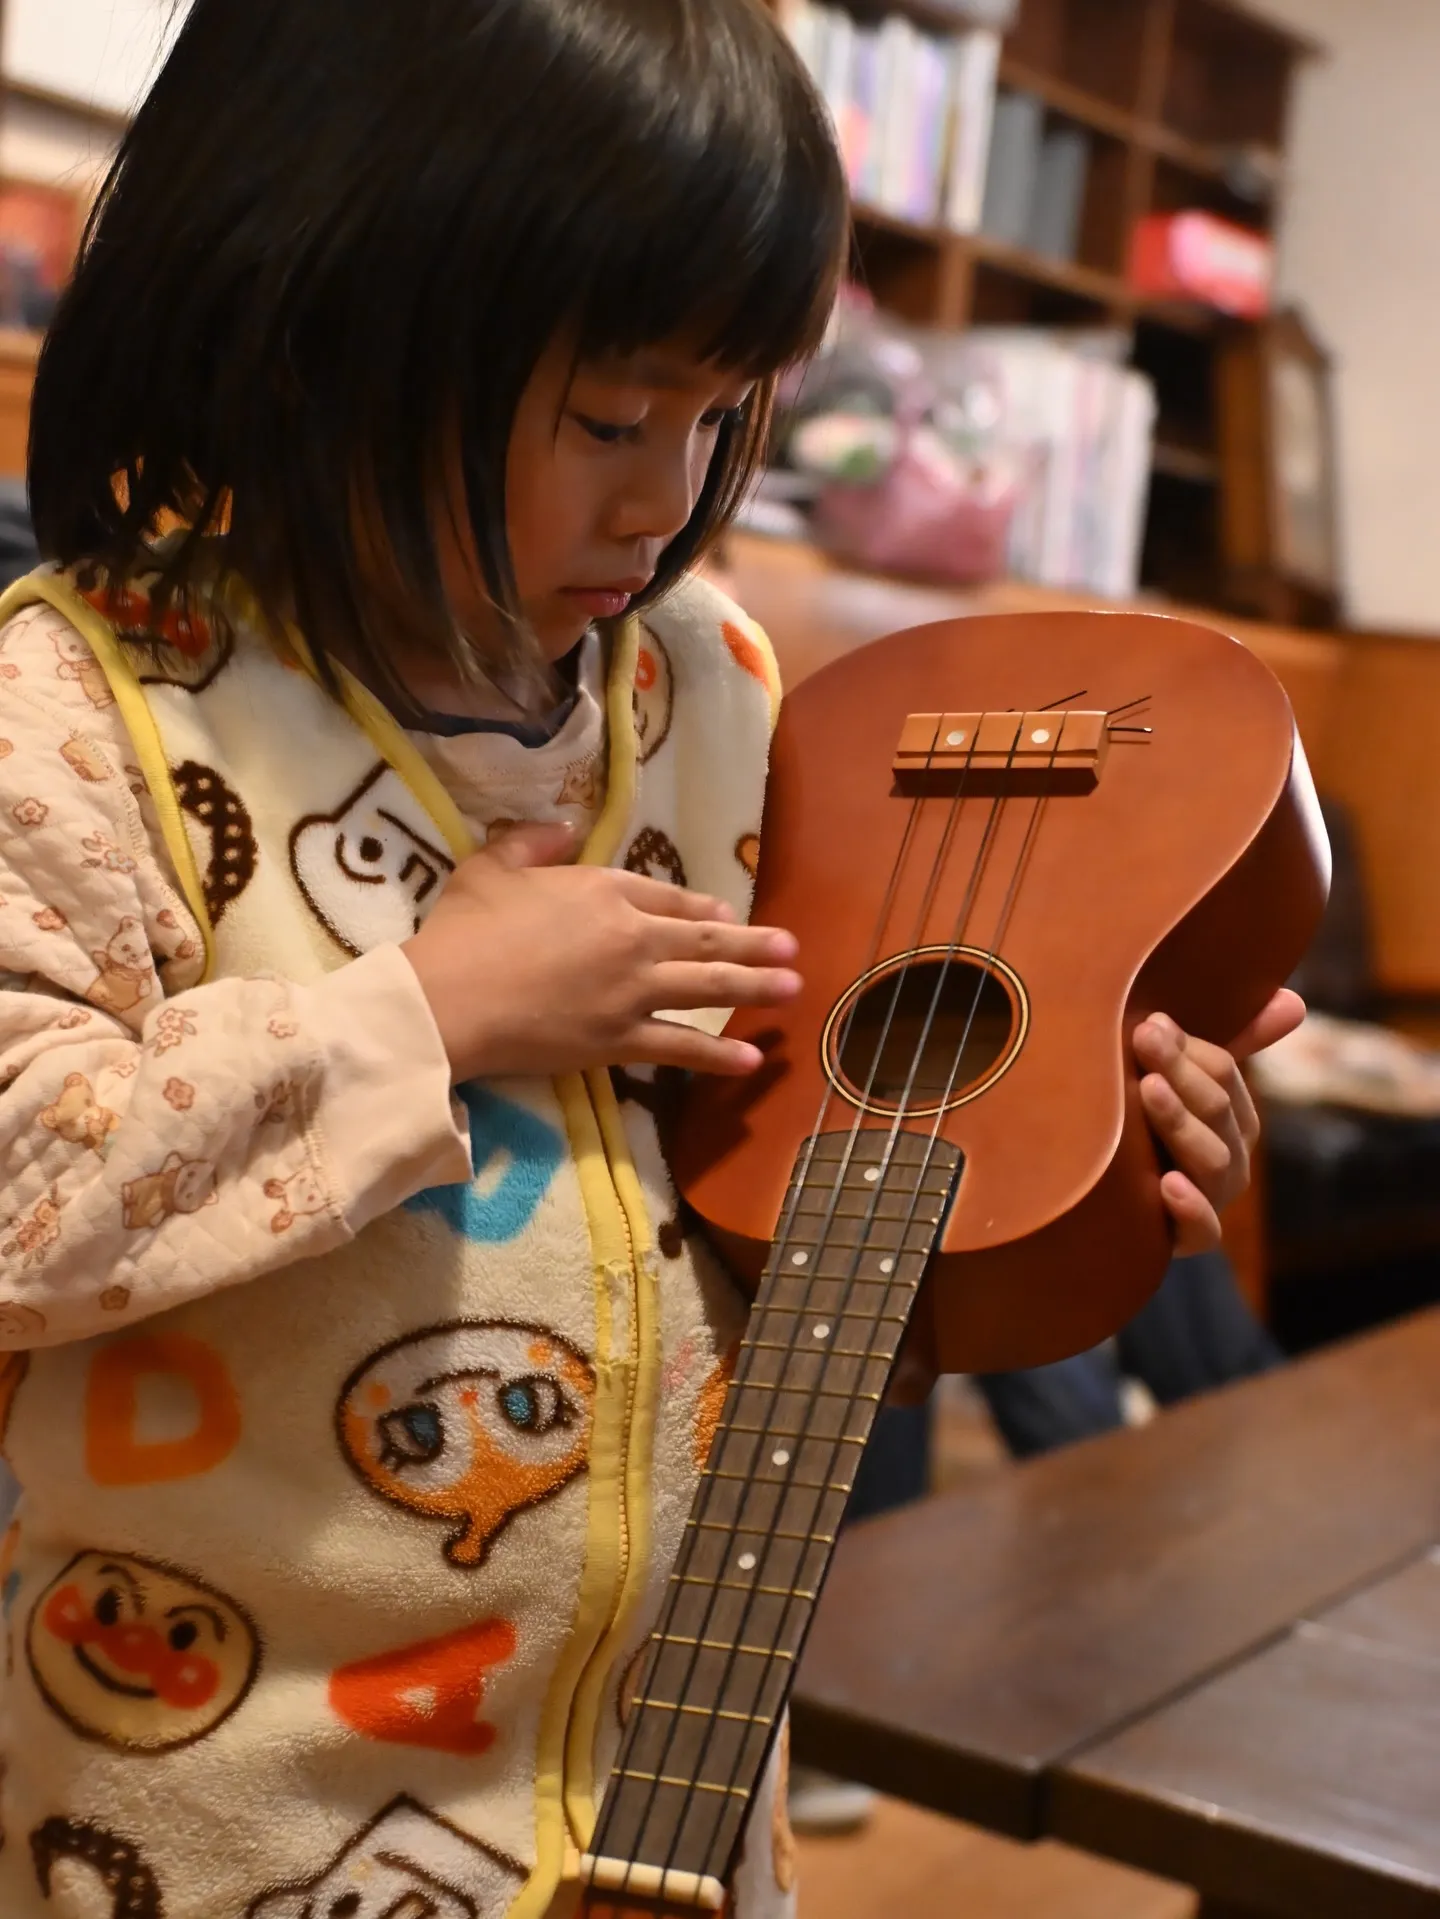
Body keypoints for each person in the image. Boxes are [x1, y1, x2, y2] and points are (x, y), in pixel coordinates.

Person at [0, 3, 1299, 1914]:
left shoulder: (719, 693)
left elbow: (760, 1234)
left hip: (667, 1793)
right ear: (315, 327)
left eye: (721, 415)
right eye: (613, 419)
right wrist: (432, 1013)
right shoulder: (86, 705)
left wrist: (1080, 1175)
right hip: (225, 1822)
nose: (669, 496)